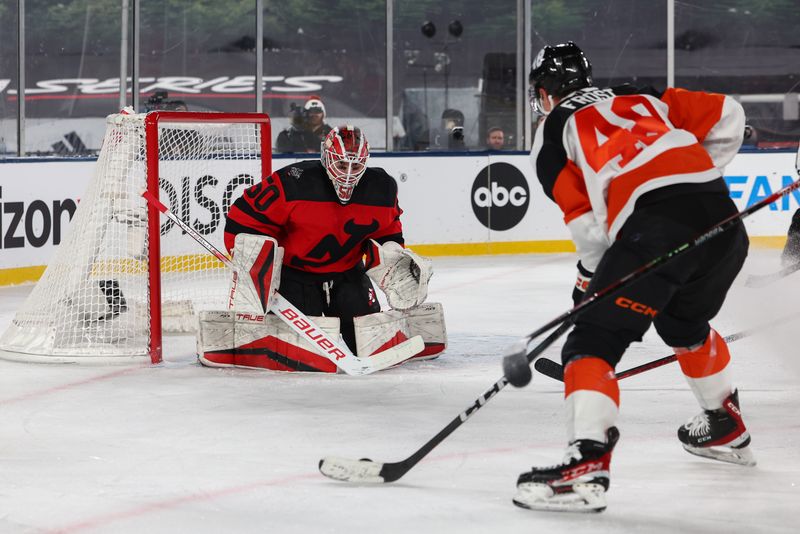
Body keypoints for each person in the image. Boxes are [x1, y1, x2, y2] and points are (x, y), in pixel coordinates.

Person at [515, 42, 752, 513]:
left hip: (657, 229)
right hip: (724, 224)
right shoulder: (641, 95)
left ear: (543, 94)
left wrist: (590, 284)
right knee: (682, 326)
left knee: (591, 342)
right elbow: (730, 113)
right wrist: (697, 177)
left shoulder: (553, 127)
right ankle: (724, 425)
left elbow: (586, 225)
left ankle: (585, 466)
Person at [223, 126, 440, 366]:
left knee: (366, 341)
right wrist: (254, 263)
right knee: (303, 354)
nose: (348, 174)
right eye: (341, 165)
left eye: (356, 166)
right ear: (327, 159)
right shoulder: (294, 181)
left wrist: (394, 257)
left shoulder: (382, 188)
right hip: (296, 276)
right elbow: (244, 216)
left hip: (347, 274)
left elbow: (387, 232)